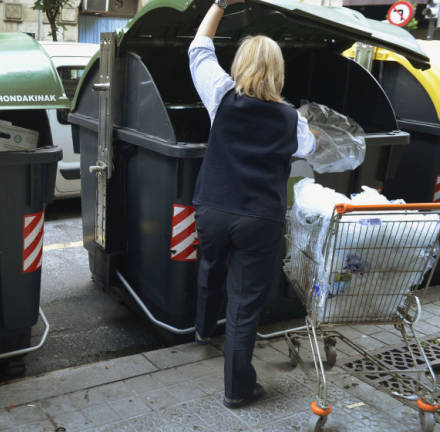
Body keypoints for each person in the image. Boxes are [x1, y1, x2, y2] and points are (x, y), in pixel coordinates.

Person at [188, 0, 317, 409]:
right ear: (279, 72)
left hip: (213, 208)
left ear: (239, 65)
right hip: (259, 218)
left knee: (210, 266)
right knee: (244, 305)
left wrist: (219, 5)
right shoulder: (291, 120)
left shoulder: (221, 94)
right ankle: (237, 390)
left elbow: (199, 47)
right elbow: (309, 147)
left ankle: (203, 330)